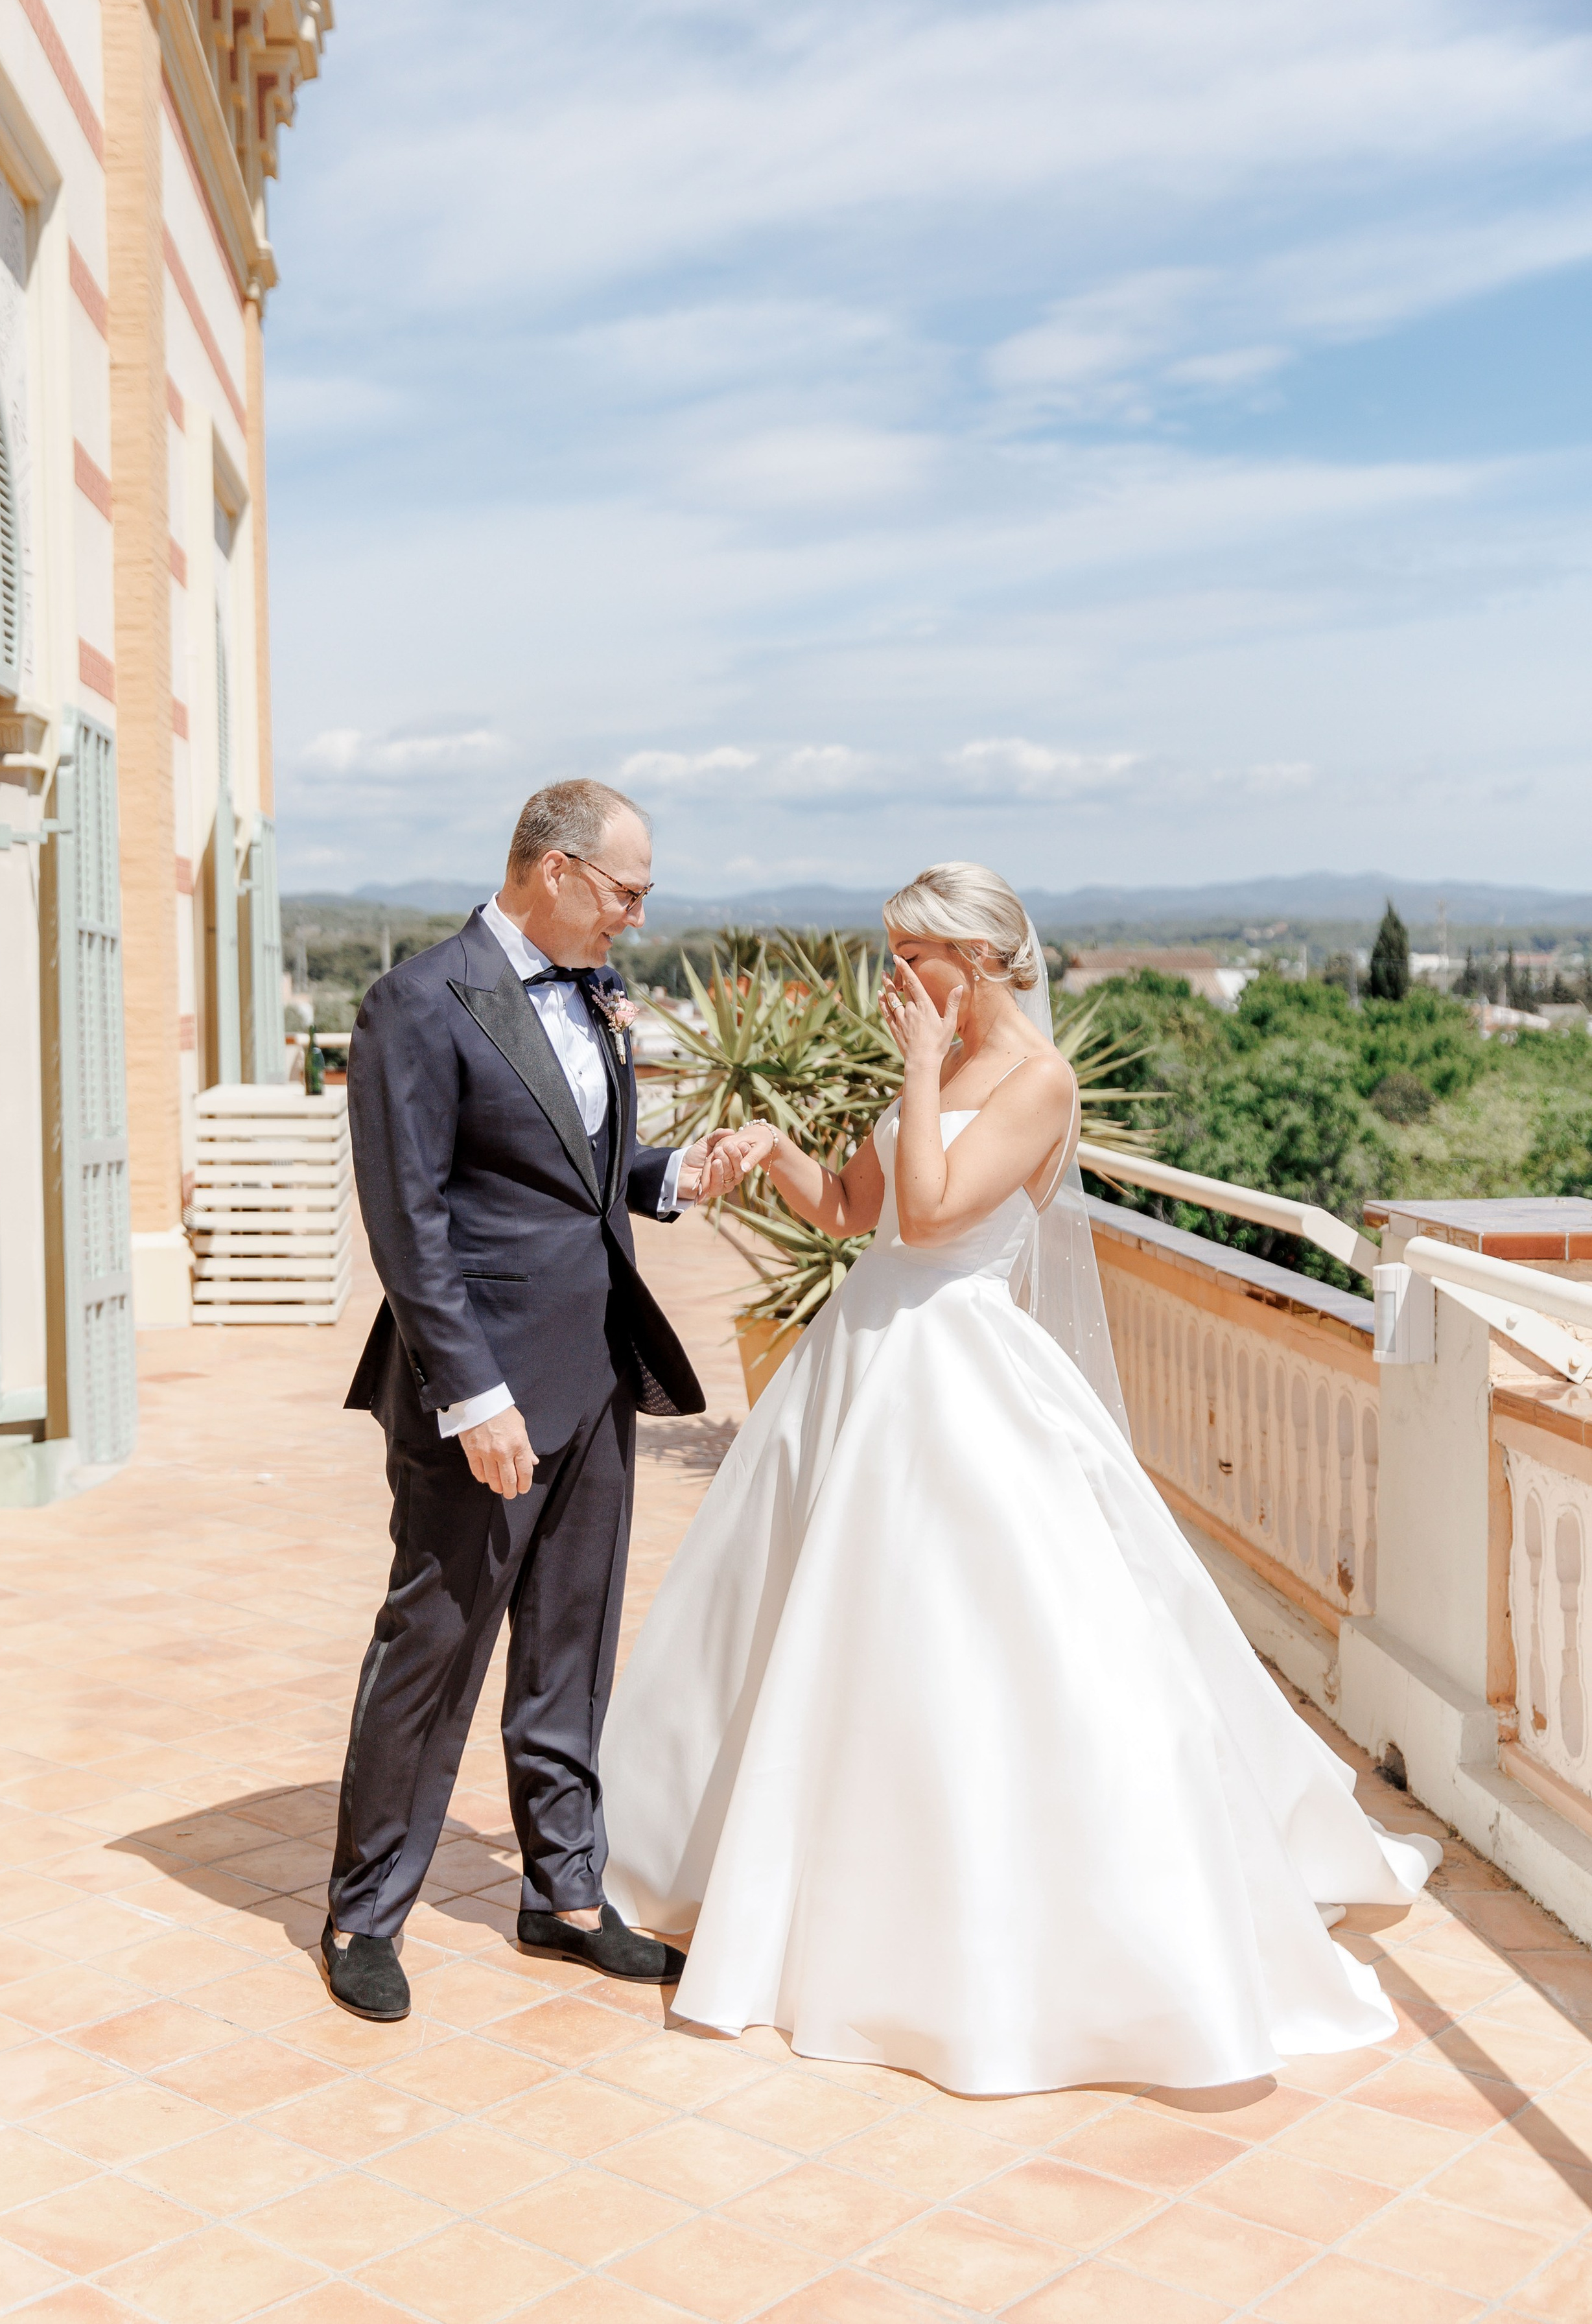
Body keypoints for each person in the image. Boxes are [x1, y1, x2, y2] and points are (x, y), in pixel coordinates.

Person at [600, 860, 1440, 2095]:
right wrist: (779, 1145)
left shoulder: (1039, 1083)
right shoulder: (926, 1060)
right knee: (805, 1626)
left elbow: (937, 1222)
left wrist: (923, 1067)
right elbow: (855, 1210)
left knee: (979, 1638)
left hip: (958, 1369)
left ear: (979, 963)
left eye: (914, 954)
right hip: (860, 1358)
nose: (894, 977)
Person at [322, 779, 747, 2020]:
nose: (636, 917)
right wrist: (472, 1395)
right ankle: (363, 1910)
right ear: (554, 870)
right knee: (435, 1648)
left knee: (574, 1650)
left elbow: (573, 1177)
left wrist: (670, 1177)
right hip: (487, 1401)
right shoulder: (416, 1003)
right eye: (629, 890)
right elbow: (410, 1224)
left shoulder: (596, 1001)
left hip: (596, 1376)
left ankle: (564, 1893)